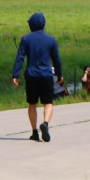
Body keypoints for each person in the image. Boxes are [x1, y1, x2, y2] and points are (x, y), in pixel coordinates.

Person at [11, 12, 64, 143]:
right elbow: (56, 60)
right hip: (46, 75)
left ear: (31, 25)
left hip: (31, 75)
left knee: (32, 103)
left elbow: (20, 58)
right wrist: (59, 74)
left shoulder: (26, 39)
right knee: (48, 102)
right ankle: (45, 123)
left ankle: (34, 132)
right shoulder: (51, 39)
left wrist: (15, 75)